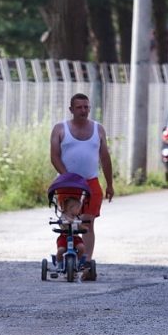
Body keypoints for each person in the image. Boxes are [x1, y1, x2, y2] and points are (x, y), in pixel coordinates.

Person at [49, 93, 114, 261]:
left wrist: (109, 184)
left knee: (87, 223)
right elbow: (54, 156)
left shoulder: (98, 129)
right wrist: (67, 177)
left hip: (90, 183)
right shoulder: (60, 128)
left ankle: (85, 261)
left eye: (86, 107)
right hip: (67, 184)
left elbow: (105, 158)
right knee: (68, 223)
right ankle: (66, 253)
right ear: (71, 109)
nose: (83, 110)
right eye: (79, 107)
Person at [54, 195, 88, 267]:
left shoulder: (76, 218)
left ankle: (77, 261)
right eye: (77, 208)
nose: (79, 210)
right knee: (61, 250)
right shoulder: (64, 216)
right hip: (64, 237)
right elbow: (61, 224)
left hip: (75, 237)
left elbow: (79, 226)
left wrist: (84, 228)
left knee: (81, 248)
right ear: (70, 208)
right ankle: (59, 263)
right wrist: (66, 222)